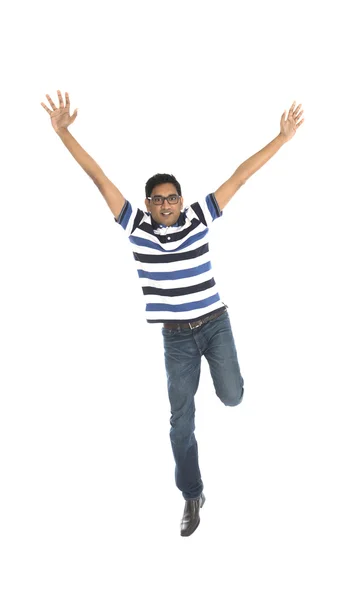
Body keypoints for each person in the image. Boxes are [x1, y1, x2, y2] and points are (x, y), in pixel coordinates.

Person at [41, 90, 304, 537]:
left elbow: (239, 178)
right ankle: (192, 494)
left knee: (233, 397)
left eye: (172, 197)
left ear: (181, 200)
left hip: (214, 325)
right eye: (158, 199)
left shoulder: (199, 218)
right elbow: (98, 176)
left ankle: (233, 380)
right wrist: (65, 133)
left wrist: (280, 138)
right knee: (180, 423)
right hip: (177, 340)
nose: (166, 204)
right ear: (148, 205)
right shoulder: (135, 227)